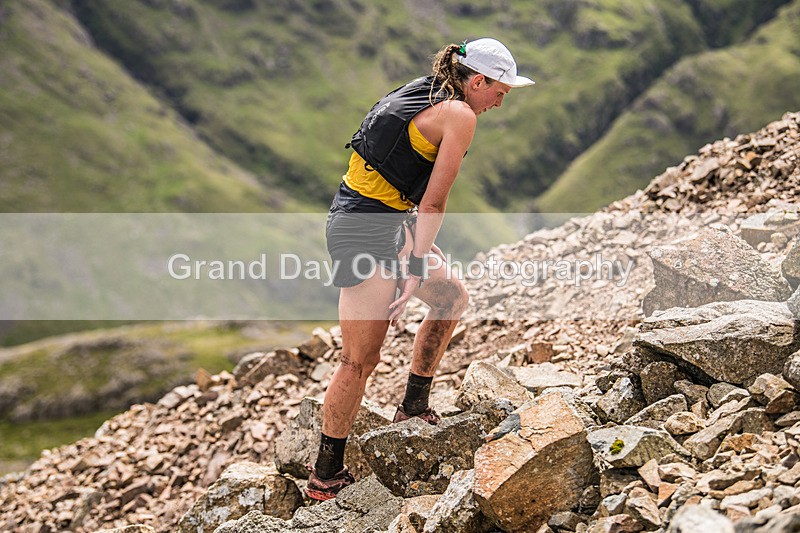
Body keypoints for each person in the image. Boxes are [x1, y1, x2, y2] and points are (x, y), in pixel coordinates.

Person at [305, 37, 535, 501]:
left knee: (451, 297)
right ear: (477, 81)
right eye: (500, 92)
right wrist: (413, 263)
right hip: (364, 230)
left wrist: (413, 238)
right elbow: (434, 201)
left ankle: (413, 406)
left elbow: (388, 170)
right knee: (360, 358)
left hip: (379, 217)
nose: (499, 102)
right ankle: (325, 476)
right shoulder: (460, 115)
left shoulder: (426, 89)